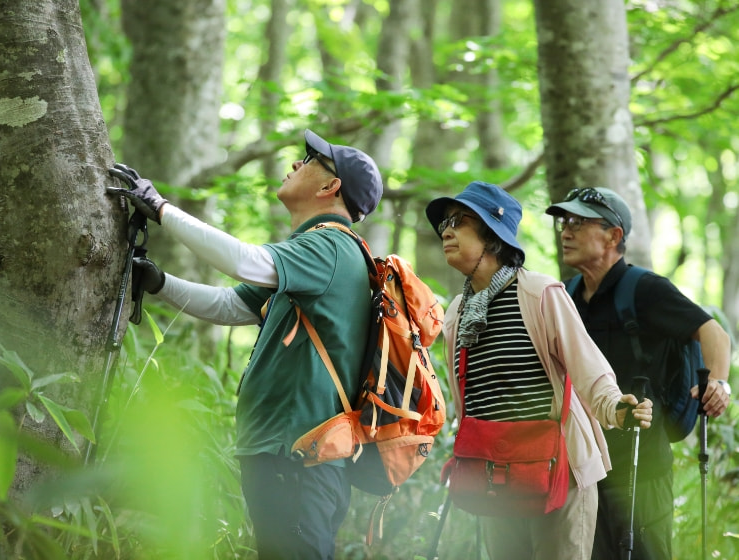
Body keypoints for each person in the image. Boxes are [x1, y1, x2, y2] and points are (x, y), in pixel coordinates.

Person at [106, 129, 384, 559]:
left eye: (309, 161)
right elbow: (229, 305)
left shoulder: (330, 246)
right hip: (284, 457)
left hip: (299, 459)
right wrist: (160, 282)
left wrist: (161, 209)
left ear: (331, 186)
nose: (295, 164)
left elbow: (243, 261)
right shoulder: (313, 252)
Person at [425, 181, 654, 560]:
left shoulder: (539, 293)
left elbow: (587, 366)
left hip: (556, 470)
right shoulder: (456, 314)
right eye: (444, 223)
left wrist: (615, 406)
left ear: (492, 234)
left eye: (459, 221)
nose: (445, 231)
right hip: (492, 474)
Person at [545, 187, 732, 560]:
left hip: (642, 466)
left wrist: (718, 383)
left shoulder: (645, 289)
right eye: (565, 222)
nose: (565, 231)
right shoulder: (564, 295)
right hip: (583, 468)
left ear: (614, 235)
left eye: (579, 223)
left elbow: (714, 333)